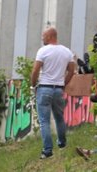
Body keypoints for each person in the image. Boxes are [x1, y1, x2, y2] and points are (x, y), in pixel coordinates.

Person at [30, 26, 76, 159]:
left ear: (50, 36)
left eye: (43, 36)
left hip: (44, 88)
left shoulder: (43, 51)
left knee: (44, 121)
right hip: (58, 89)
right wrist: (63, 84)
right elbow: (71, 71)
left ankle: (47, 150)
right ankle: (62, 143)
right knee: (59, 117)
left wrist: (34, 85)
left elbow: (35, 70)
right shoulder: (67, 51)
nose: (42, 38)